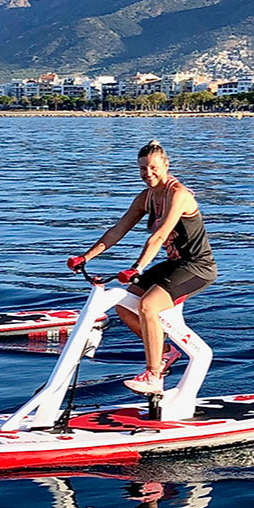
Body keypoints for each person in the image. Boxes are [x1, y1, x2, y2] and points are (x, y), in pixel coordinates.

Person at [67, 140, 217, 394]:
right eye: (142, 169)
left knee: (148, 305)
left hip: (197, 267)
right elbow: (118, 229)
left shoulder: (178, 194)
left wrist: (137, 267)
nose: (148, 174)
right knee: (123, 303)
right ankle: (166, 352)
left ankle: (154, 375)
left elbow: (159, 237)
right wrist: (86, 257)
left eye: (153, 168)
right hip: (173, 265)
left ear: (166, 166)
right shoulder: (145, 197)